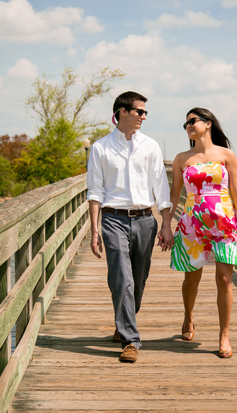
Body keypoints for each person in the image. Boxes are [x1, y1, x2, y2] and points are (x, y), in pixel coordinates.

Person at [87, 91, 174, 363]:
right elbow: (95, 191)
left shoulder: (150, 146)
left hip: (145, 220)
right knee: (121, 279)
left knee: (138, 279)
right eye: (139, 111)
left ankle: (122, 322)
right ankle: (131, 340)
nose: (143, 117)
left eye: (145, 112)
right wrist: (94, 230)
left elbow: (161, 187)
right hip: (112, 219)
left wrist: (166, 224)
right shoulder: (100, 148)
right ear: (122, 112)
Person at [167, 107, 237, 359]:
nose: (188, 127)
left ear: (208, 123)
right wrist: (165, 225)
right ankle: (188, 317)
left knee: (225, 281)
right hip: (193, 226)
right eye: (185, 124)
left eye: (193, 121)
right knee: (191, 280)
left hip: (225, 224)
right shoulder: (182, 158)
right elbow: (174, 195)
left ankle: (224, 335)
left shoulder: (227, 155)